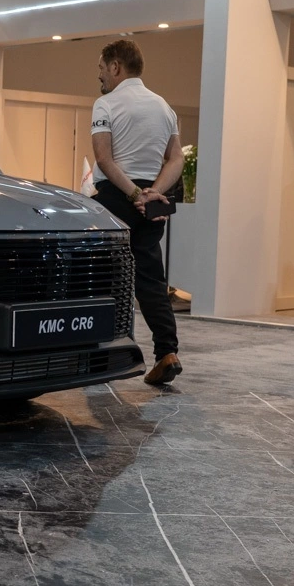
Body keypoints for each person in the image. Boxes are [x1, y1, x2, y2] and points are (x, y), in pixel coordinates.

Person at [89, 39, 185, 386]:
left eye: (102, 68)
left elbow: (104, 159)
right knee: (151, 279)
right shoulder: (163, 107)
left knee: (104, 277)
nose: (100, 75)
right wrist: (154, 192)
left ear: (116, 66)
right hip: (152, 200)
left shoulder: (105, 103)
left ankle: (100, 354)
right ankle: (167, 353)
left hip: (117, 196)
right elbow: (176, 158)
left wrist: (133, 194)